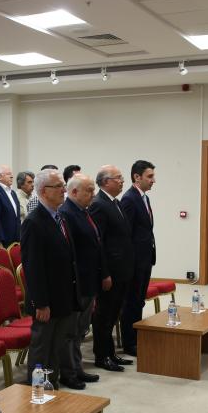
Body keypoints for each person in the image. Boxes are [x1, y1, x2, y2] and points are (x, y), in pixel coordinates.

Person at [20, 169, 82, 389]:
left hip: (63, 295)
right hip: (46, 300)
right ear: (44, 191)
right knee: (42, 347)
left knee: (56, 346)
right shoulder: (34, 222)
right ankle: (37, 389)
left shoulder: (60, 217)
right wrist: (41, 303)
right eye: (59, 186)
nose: (64, 190)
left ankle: (52, 385)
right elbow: (33, 267)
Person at [58, 174, 105, 385]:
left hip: (89, 280)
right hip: (77, 282)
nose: (93, 194)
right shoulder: (67, 213)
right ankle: (68, 373)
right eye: (89, 190)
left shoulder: (83, 211)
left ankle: (78, 368)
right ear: (74, 192)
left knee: (80, 330)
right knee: (70, 331)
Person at [89, 165, 134, 372]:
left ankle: (111, 353)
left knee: (114, 313)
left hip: (122, 269)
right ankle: (102, 355)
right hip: (110, 272)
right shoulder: (99, 204)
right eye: (118, 178)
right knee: (104, 315)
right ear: (106, 182)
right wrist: (104, 273)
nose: (122, 181)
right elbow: (99, 243)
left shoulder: (115, 202)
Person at [119, 160, 156, 357]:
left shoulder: (144, 198)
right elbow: (126, 235)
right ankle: (130, 342)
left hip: (145, 259)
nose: (153, 180)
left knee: (139, 300)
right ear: (137, 177)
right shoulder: (129, 199)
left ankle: (136, 336)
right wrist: (130, 263)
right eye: (149, 176)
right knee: (131, 302)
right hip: (134, 262)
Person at [0, 165, 21, 246]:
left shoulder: (13, 193)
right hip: (4, 240)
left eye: (11, 174)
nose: (12, 176)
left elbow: (16, 216)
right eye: (8, 174)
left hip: (16, 238)